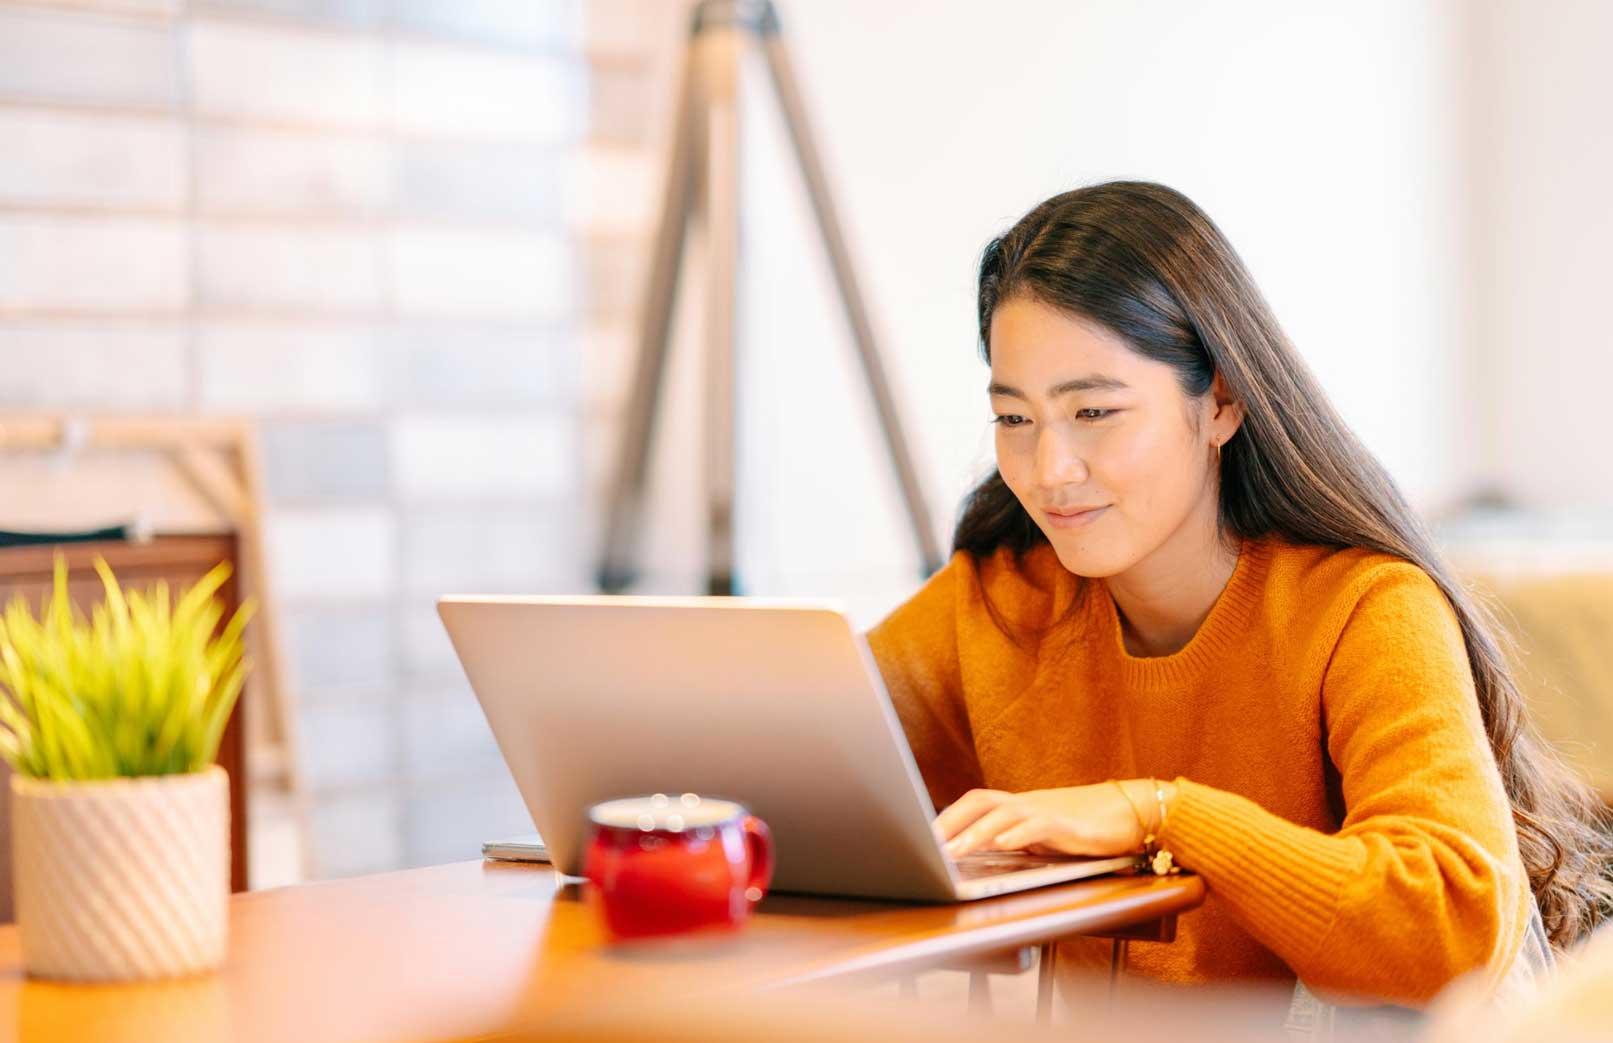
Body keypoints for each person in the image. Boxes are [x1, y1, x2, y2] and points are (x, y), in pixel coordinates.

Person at [865, 181, 1611, 1014]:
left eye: (1094, 411)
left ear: (1220, 400)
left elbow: (1449, 926)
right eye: (1013, 419)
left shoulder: (1364, 607)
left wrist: (1162, 814)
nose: (1049, 470)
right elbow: (811, 765)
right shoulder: (999, 602)